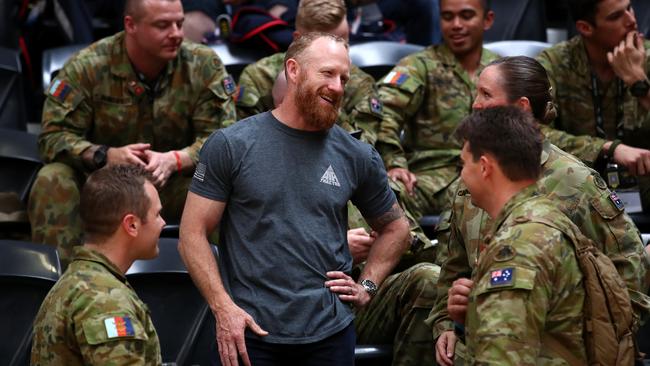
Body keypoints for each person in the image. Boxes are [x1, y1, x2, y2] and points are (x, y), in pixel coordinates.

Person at [178, 32, 410, 366]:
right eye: (327, 73)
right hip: (250, 333)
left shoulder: (357, 154)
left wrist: (368, 286)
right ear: (293, 70)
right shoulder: (231, 145)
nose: (338, 87)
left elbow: (396, 229)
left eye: (344, 78)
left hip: (329, 334)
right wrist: (223, 308)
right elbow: (191, 235)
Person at [428, 56, 648, 365]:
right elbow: (453, 269)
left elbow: (631, 272)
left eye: (486, 95)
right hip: (483, 343)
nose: (475, 105)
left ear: (521, 107)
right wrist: (447, 325)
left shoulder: (574, 180)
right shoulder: (472, 176)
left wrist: (597, 337)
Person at [27, 0, 236, 266]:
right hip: (103, 186)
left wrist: (177, 159)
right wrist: (104, 155)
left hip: (171, 184)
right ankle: (67, 289)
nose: (176, 34)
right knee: (52, 179)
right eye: (163, 25)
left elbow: (224, 137)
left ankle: (225, 291)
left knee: (221, 183)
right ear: (131, 25)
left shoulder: (203, 65)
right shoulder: (89, 66)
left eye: (179, 23)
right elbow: (52, 137)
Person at [453, 106, 586, 364]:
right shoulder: (548, 217)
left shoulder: (517, 247)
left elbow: (502, 357)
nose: (461, 174)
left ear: (484, 167)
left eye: (463, 164)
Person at [374, 0, 499, 221]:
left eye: (467, 16)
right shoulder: (420, 65)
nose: (456, 25)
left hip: (491, 176)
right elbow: (383, 114)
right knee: (382, 195)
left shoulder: (501, 70)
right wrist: (394, 163)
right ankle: (415, 249)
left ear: (487, 20)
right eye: (448, 17)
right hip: (431, 179)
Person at [31, 165, 165, 365]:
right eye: (157, 215)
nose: (163, 223)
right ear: (132, 225)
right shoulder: (104, 300)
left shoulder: (77, 281)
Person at [537, 0, 650, 211]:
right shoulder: (555, 63)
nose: (632, 20)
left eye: (630, 8)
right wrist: (606, 148)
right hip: (578, 188)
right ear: (585, 28)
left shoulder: (647, 57)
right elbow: (531, 131)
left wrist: (639, 84)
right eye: (616, 16)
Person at [236, 0, 382, 145]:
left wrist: (323, 108)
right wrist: (282, 111)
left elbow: (361, 153)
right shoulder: (258, 77)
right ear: (297, 40)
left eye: (344, 41)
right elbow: (242, 144)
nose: (339, 53)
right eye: (324, 48)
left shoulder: (360, 84)